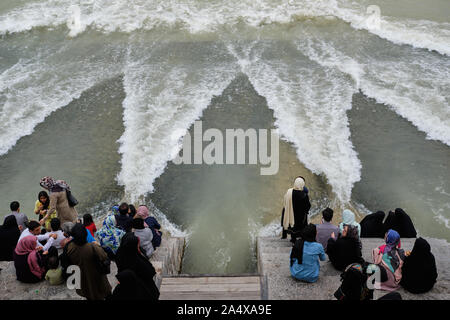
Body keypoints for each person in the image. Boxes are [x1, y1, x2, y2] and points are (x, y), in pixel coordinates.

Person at [66, 223, 112, 300]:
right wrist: (98, 245)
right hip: (97, 276)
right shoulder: (93, 247)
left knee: (89, 293)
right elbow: (104, 257)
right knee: (105, 293)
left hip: (82, 278)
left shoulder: (70, 247)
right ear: (85, 234)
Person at [115, 232, 160, 300]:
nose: (139, 246)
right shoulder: (137, 260)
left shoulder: (120, 253)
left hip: (126, 284)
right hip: (141, 289)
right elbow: (151, 272)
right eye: (137, 245)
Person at [281, 176, 311, 242]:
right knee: (301, 227)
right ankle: (301, 240)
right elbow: (308, 206)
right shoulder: (304, 195)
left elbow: (285, 202)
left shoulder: (289, 192)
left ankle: (292, 238)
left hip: (291, 215)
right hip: (300, 217)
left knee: (292, 225)